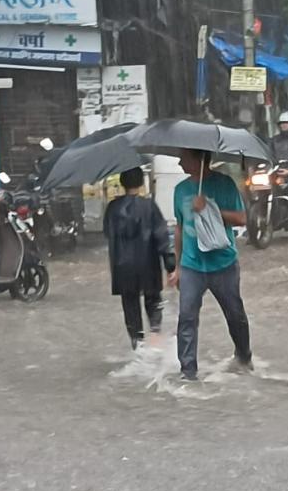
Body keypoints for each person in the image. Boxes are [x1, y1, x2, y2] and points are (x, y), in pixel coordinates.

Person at [169, 149, 252, 381]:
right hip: (192, 265)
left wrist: (209, 208)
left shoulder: (224, 184)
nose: (179, 162)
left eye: (184, 158)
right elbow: (178, 227)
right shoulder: (180, 190)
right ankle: (188, 372)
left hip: (223, 263)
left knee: (235, 315)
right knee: (186, 317)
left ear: (200, 160)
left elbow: (242, 219)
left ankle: (244, 356)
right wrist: (177, 266)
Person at [103, 168, 175, 350]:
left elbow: (106, 233)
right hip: (148, 264)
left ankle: (138, 345)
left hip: (122, 266)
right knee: (153, 301)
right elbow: (162, 237)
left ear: (122, 182)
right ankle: (156, 337)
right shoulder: (149, 206)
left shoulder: (112, 207)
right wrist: (170, 265)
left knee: (130, 306)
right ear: (142, 183)